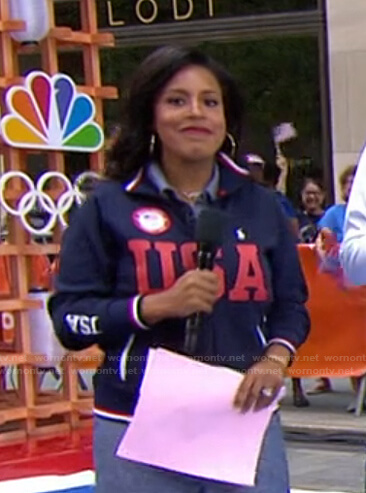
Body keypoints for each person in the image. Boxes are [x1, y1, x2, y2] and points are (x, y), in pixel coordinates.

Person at [48, 45, 310, 493]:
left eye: (210, 102)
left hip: (242, 420)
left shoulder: (262, 206)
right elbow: (70, 319)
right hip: (135, 423)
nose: (196, 113)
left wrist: (275, 359)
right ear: (151, 114)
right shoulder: (105, 208)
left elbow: (292, 304)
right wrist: (152, 306)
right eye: (177, 100)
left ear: (226, 119)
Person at [297, 177, 325, 243]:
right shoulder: (296, 220)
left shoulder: (330, 218)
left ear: (322, 195)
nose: (311, 197)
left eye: (315, 193)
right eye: (308, 193)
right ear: (302, 195)